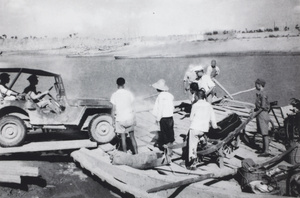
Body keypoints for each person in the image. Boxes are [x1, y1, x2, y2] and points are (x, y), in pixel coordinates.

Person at [187, 89, 220, 169]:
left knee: (192, 145)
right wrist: (215, 126)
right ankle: (203, 143)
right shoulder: (208, 105)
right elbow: (213, 118)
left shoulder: (195, 105)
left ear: (197, 97)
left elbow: (191, 119)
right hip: (203, 129)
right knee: (200, 137)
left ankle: (192, 163)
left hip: (194, 128)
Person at [110, 77, 138, 154]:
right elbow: (133, 107)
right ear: (124, 84)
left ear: (117, 85)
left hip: (120, 119)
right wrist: (134, 119)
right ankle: (136, 154)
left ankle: (125, 155)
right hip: (129, 118)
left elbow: (113, 109)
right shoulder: (129, 94)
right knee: (132, 138)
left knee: (123, 138)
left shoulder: (114, 95)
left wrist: (113, 121)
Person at [152, 79, 175, 150]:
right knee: (170, 131)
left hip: (163, 118)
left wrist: (157, 119)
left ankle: (165, 148)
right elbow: (172, 106)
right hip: (170, 117)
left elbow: (160, 109)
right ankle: (170, 144)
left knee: (164, 133)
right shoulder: (170, 95)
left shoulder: (160, 96)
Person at [253, 78, 271, 157]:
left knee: (265, 133)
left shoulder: (263, 94)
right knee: (263, 132)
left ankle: (266, 151)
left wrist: (255, 113)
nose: (255, 86)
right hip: (261, 115)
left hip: (262, 115)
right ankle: (264, 149)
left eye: (256, 84)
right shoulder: (261, 93)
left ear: (259, 85)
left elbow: (263, 107)